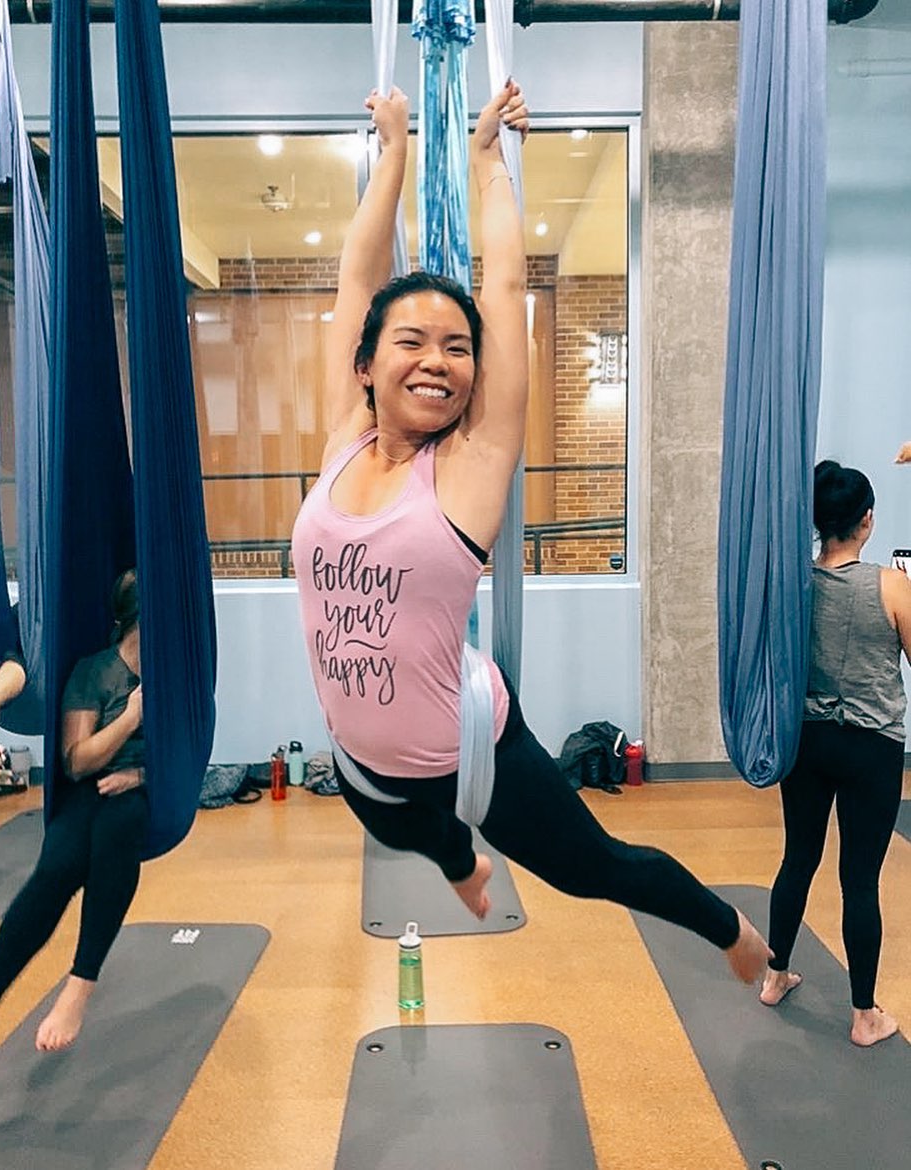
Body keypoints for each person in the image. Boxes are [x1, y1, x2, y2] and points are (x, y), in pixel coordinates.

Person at [291, 82, 768, 988]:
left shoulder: (467, 470)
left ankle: (732, 931)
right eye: (411, 342)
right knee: (407, 829)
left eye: (457, 348)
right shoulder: (339, 440)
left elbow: (504, 287)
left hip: (472, 751)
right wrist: (389, 151)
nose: (438, 359)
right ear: (365, 363)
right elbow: (356, 282)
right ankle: (461, 863)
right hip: (362, 762)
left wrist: (486, 165)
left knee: (598, 872)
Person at [760, 461, 911, 1046]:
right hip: (871, 749)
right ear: (866, 520)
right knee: (860, 881)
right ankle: (864, 1016)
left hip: (808, 742)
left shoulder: (796, 585)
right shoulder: (891, 586)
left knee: (798, 858)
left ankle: (775, 978)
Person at [0, 569, 148, 1062]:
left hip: (137, 792)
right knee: (58, 867)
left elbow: (183, 753)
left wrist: (139, 778)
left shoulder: (176, 677)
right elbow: (77, 760)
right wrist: (132, 718)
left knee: (120, 828)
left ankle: (79, 986)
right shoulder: (95, 672)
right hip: (88, 788)